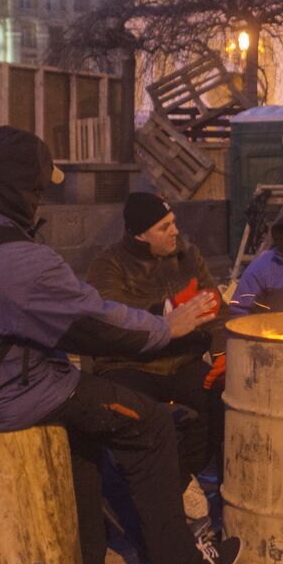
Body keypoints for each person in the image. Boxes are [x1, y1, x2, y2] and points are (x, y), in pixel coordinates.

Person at [0, 127, 240, 564]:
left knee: (86, 427)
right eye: (39, 191)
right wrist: (165, 325)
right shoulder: (20, 256)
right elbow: (94, 325)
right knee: (149, 423)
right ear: (23, 190)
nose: (41, 202)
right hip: (3, 391)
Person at [85, 192, 229, 524]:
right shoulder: (108, 264)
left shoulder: (188, 257)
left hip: (180, 360)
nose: (174, 231)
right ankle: (159, 490)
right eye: (164, 227)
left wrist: (222, 352)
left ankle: (179, 478)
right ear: (140, 235)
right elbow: (111, 318)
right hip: (129, 363)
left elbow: (217, 310)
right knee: (140, 417)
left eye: (173, 222)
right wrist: (165, 311)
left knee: (220, 400)